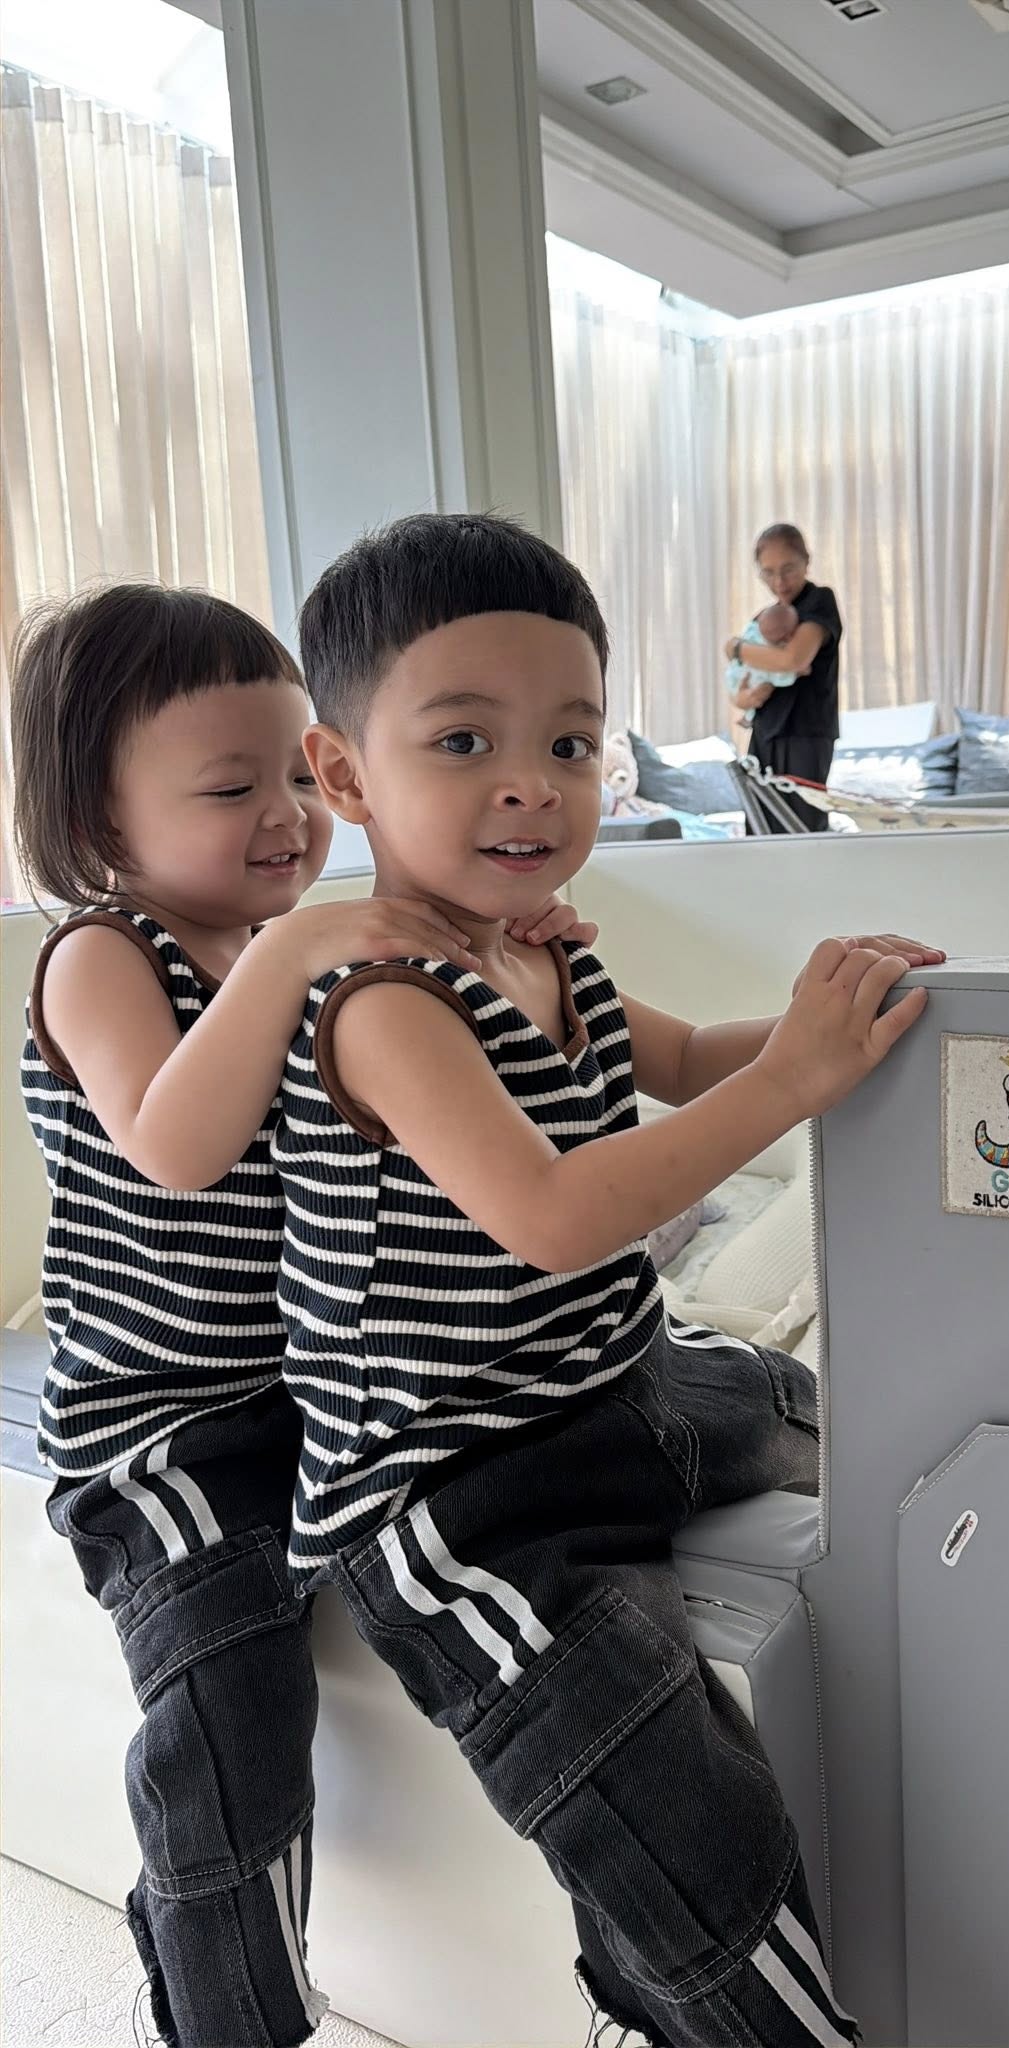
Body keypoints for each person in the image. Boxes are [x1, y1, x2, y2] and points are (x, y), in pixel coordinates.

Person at [271, 513, 942, 2047]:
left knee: (820, 1412)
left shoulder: (550, 951)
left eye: (572, 742)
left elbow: (694, 1058)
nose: (532, 781)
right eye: (465, 740)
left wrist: (836, 1023)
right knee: (688, 1825)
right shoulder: (384, 1002)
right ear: (345, 775)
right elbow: (557, 1217)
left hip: (617, 1387)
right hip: (459, 1493)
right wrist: (789, 1083)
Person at [10, 582, 597, 2048]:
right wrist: (299, 952)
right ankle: (224, 2012)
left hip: (317, 1392)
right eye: (229, 788)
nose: (284, 815)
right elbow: (172, 1143)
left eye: (295, 772)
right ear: (96, 816)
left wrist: (505, 939)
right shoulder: (102, 953)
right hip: (164, 1433)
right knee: (232, 1717)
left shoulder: (319, 953)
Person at [725, 525, 842, 831]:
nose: (779, 582)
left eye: (788, 569)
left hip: (806, 732)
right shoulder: (765, 619)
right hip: (764, 733)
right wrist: (745, 698)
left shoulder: (819, 602)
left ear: (806, 561)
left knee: (803, 828)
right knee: (760, 827)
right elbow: (740, 686)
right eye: (768, 572)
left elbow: (793, 660)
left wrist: (736, 648)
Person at [726, 601, 800, 728]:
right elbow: (782, 673)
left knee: (754, 692)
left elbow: (732, 646)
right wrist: (796, 674)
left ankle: (748, 717)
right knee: (763, 688)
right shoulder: (772, 649)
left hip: (733, 674)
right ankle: (748, 717)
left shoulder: (753, 630)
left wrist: (735, 649)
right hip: (747, 677)